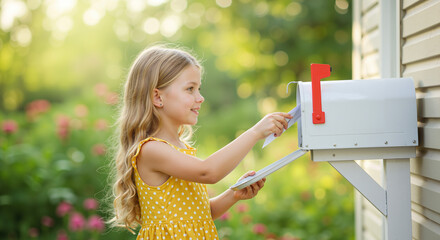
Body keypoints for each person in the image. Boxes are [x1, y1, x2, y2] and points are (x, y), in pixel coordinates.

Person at [110, 45, 292, 240]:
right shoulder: (151, 149)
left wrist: (234, 194)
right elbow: (209, 172)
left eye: (199, 89)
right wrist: (255, 132)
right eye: (190, 89)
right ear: (157, 97)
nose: (200, 98)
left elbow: (201, 213)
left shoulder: (180, 148)